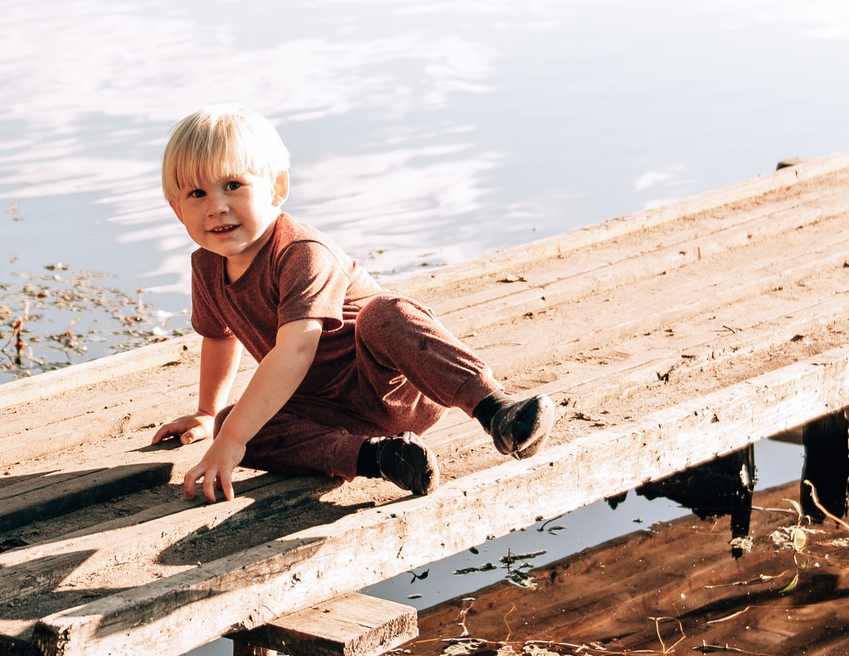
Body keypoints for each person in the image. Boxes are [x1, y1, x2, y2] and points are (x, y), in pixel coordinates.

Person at [153, 105, 553, 501]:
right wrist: (210, 414)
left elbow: (297, 348)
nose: (216, 206)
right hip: (326, 411)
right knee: (232, 424)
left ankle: (497, 411)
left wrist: (232, 441)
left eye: (234, 186)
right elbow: (220, 337)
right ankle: (380, 458)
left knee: (384, 313)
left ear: (277, 188)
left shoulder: (301, 252)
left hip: (397, 385)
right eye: (197, 193)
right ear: (177, 210)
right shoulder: (206, 267)